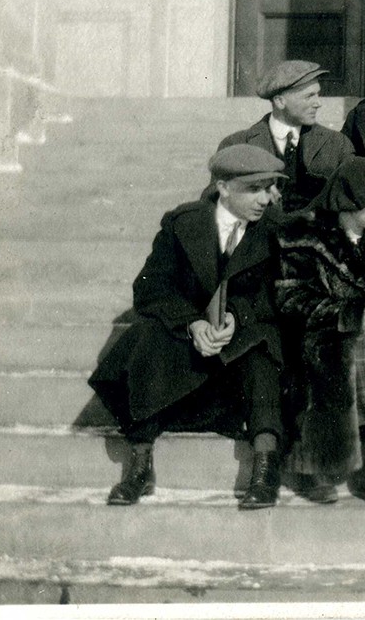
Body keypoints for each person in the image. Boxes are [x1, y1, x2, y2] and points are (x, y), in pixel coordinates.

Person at [88, 145, 289, 509]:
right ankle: (139, 465)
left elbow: (280, 296)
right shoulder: (183, 223)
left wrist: (236, 317)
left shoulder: (277, 230)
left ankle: (264, 468)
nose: (265, 199)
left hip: (238, 362)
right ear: (224, 188)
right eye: (254, 189)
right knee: (148, 336)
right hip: (188, 354)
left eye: (269, 188)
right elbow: (149, 288)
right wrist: (193, 323)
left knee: (263, 348)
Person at [275, 157, 365, 505]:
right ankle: (315, 465)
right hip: (324, 329)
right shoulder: (303, 236)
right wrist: (350, 317)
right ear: (349, 203)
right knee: (333, 355)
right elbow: (291, 297)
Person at [214, 61, 353, 215]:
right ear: (280, 101)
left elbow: (351, 199)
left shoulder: (337, 144)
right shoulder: (236, 144)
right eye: (309, 96)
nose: (318, 103)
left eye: (318, 94)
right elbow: (213, 200)